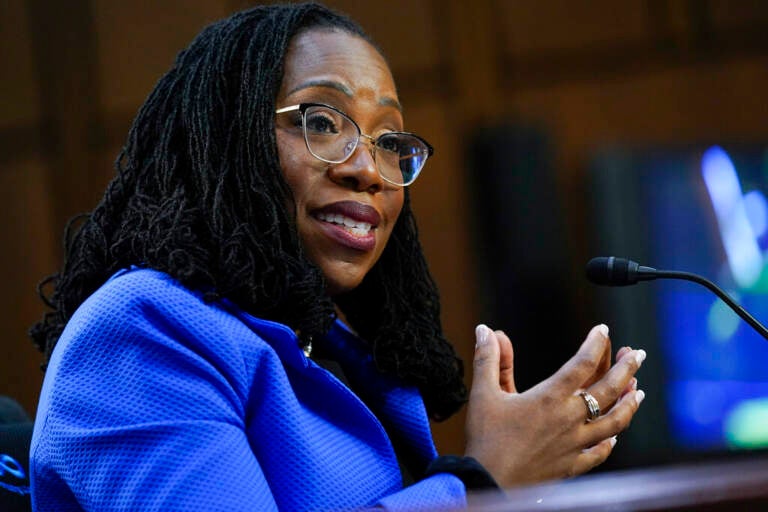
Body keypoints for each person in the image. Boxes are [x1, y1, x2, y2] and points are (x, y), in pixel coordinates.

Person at [28, 3, 645, 511]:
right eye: (322, 122)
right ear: (225, 138)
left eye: (388, 139)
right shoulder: (139, 334)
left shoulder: (344, 344)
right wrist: (482, 481)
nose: (367, 170)